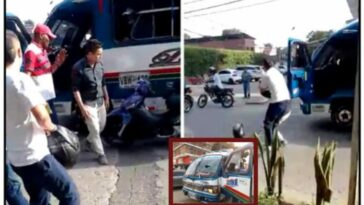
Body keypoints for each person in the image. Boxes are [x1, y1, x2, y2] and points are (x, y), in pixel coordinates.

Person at [6, 30, 80, 205]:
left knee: (39, 199)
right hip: (35, 156)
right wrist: (55, 129)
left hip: (16, 159)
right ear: (18, 53)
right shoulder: (19, 80)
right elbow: (43, 118)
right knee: (70, 195)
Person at [72, 39, 109, 165]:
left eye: (101, 54)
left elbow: (103, 82)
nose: (100, 56)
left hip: (100, 102)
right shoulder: (78, 68)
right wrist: (82, 108)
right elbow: (75, 90)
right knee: (94, 128)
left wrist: (106, 97)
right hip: (88, 103)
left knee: (100, 128)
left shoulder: (100, 65)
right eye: (98, 54)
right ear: (89, 54)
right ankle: (100, 154)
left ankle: (88, 141)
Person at [24, 24, 68, 124]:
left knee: (52, 121)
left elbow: (49, 72)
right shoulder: (31, 51)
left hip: (47, 95)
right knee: (50, 122)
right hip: (41, 98)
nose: (50, 39)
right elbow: (27, 77)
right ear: (41, 36)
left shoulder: (42, 50)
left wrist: (58, 62)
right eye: (49, 37)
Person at [259, 56, 291, 146]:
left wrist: (261, 84)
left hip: (277, 103)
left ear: (264, 65)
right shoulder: (278, 72)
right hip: (287, 102)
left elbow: (262, 90)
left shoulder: (267, 74)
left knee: (267, 124)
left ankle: (270, 146)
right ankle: (281, 141)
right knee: (275, 124)